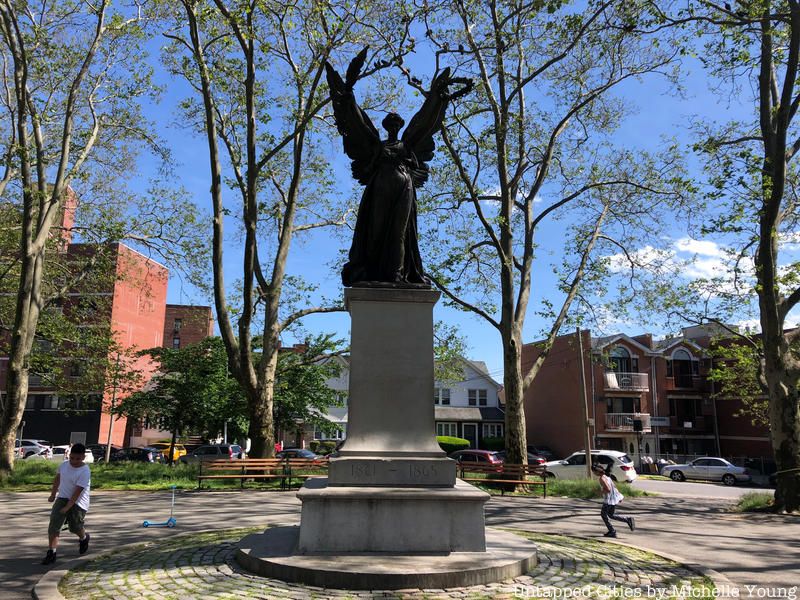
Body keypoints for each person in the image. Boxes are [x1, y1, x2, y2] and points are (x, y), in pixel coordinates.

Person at [325, 48, 472, 287]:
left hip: (404, 186)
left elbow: (425, 121)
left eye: (397, 123)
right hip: (381, 185)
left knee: (400, 231)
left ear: (400, 125)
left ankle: (396, 275)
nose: (393, 126)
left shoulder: (408, 144)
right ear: (385, 126)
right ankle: (372, 273)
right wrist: (348, 94)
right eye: (390, 123)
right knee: (376, 229)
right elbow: (357, 121)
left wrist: (437, 98)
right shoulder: (376, 145)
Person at [42, 443, 91, 565]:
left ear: (83, 457)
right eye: (72, 458)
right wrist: (53, 495)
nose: (74, 461)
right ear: (69, 455)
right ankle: (51, 553)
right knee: (54, 525)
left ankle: (84, 538)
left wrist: (68, 507)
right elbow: (57, 479)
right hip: (62, 497)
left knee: (74, 527)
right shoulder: (64, 465)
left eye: (78, 459)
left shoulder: (85, 471)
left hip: (79, 502)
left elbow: (77, 492)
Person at [592, 464, 635, 538]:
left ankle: (612, 531)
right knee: (611, 515)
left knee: (603, 515)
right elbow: (613, 487)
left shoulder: (602, 479)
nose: (593, 473)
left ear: (597, 472)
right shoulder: (607, 477)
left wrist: (598, 492)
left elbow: (608, 489)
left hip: (608, 500)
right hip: (613, 499)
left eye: (593, 472)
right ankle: (628, 520)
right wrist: (618, 496)